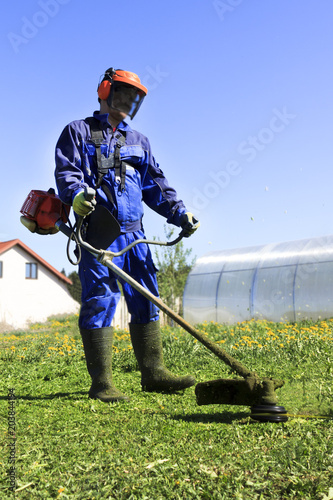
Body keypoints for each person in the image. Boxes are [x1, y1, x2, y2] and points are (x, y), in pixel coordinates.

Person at [54, 67, 200, 403]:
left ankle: (153, 373)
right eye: (122, 93)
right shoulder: (78, 131)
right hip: (98, 232)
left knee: (147, 295)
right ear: (105, 90)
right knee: (101, 299)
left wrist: (180, 214)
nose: (129, 101)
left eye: (134, 97)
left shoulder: (139, 141)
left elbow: (156, 186)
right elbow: (67, 172)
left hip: (136, 236)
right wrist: (76, 195)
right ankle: (102, 383)